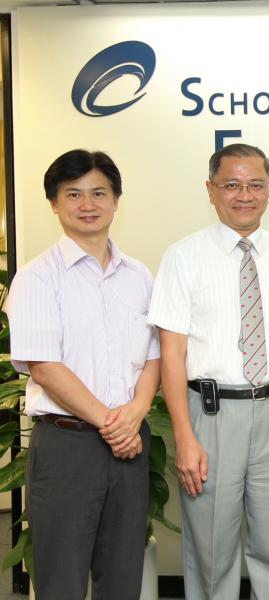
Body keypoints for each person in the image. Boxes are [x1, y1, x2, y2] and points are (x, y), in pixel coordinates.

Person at [148, 143, 269, 600]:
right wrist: (184, 438)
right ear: (210, 190)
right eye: (231, 184)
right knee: (211, 552)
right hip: (210, 416)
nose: (243, 195)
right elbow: (171, 354)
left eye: (255, 185)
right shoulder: (182, 258)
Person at [7, 149, 159, 599]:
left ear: (116, 200)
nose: (87, 204)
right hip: (68, 446)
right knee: (61, 579)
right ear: (54, 203)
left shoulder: (138, 275)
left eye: (99, 193)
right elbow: (45, 367)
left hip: (130, 443)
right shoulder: (37, 277)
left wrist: (135, 414)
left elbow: (153, 355)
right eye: (73, 194)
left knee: (123, 574)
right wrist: (115, 424)